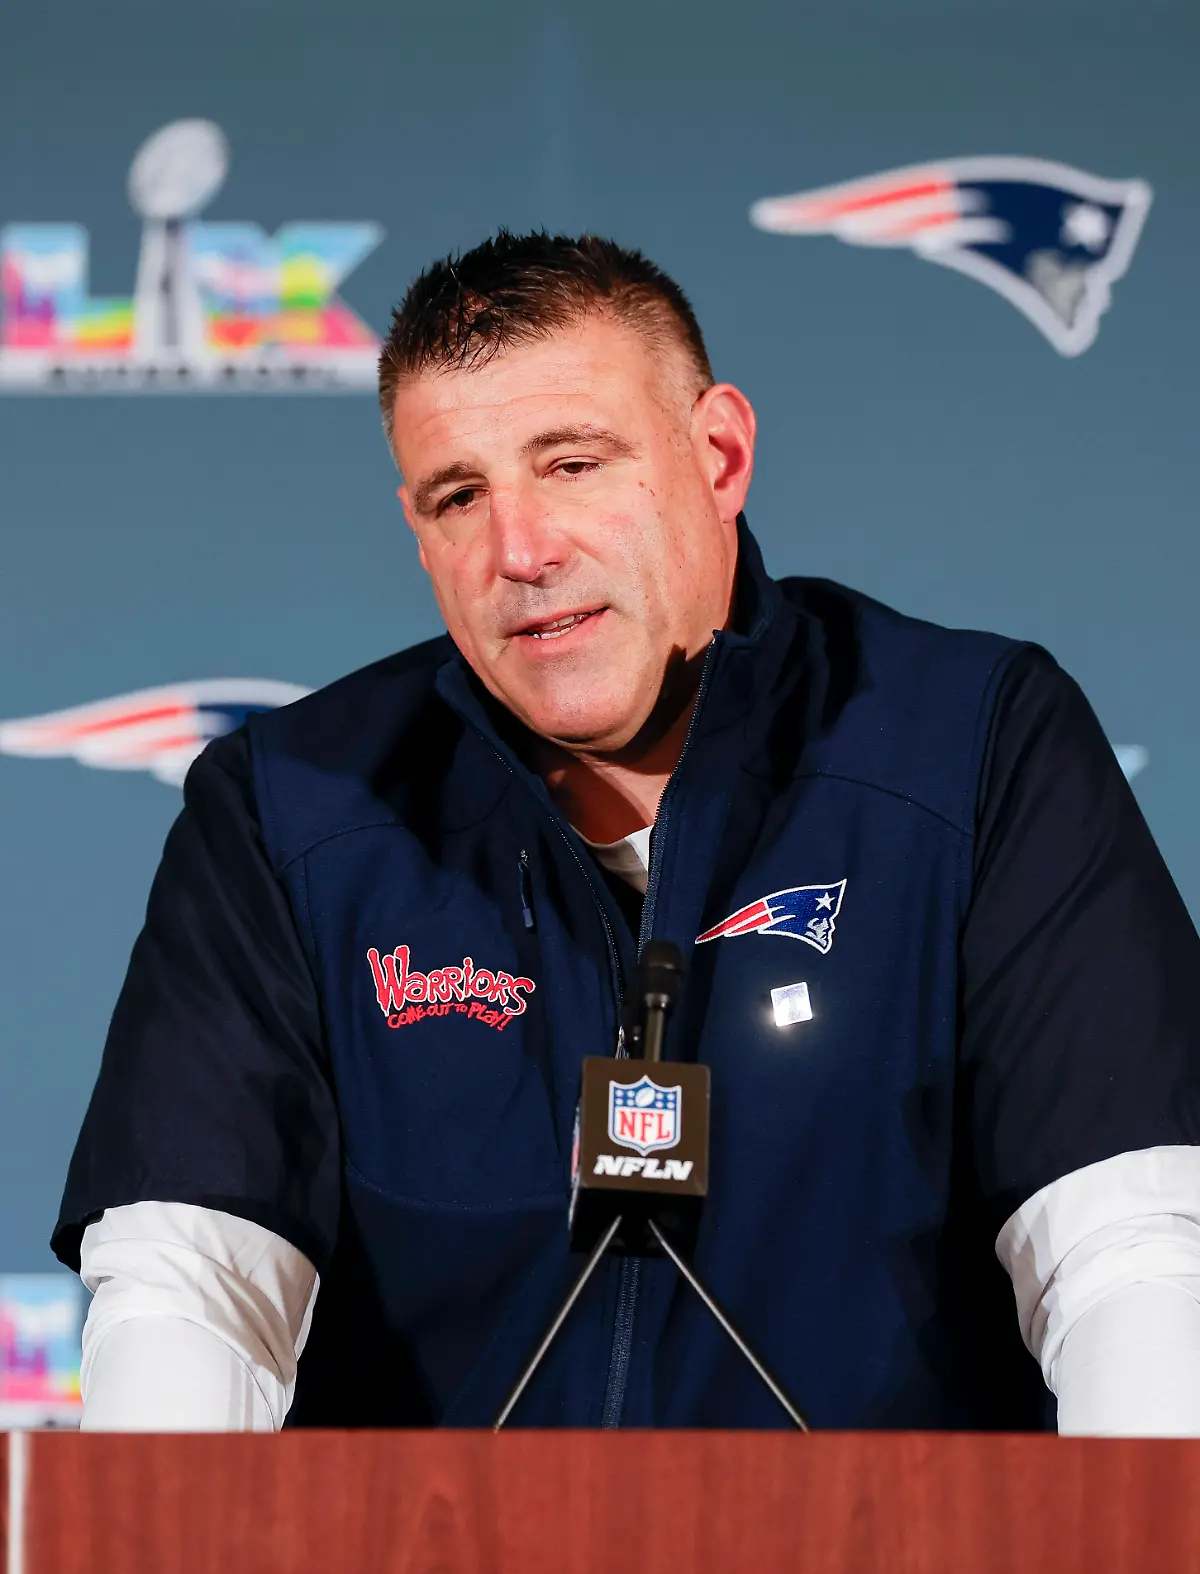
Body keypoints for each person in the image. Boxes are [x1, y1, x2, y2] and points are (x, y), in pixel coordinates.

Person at [54, 231, 1200, 1433]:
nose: (521, 551)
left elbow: (1130, 1247)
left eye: (572, 464)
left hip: (887, 1537)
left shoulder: (970, 746)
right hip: (433, 1542)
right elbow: (189, 1286)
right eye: (459, 496)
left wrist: (1134, 1530)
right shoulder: (294, 807)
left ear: (719, 455)